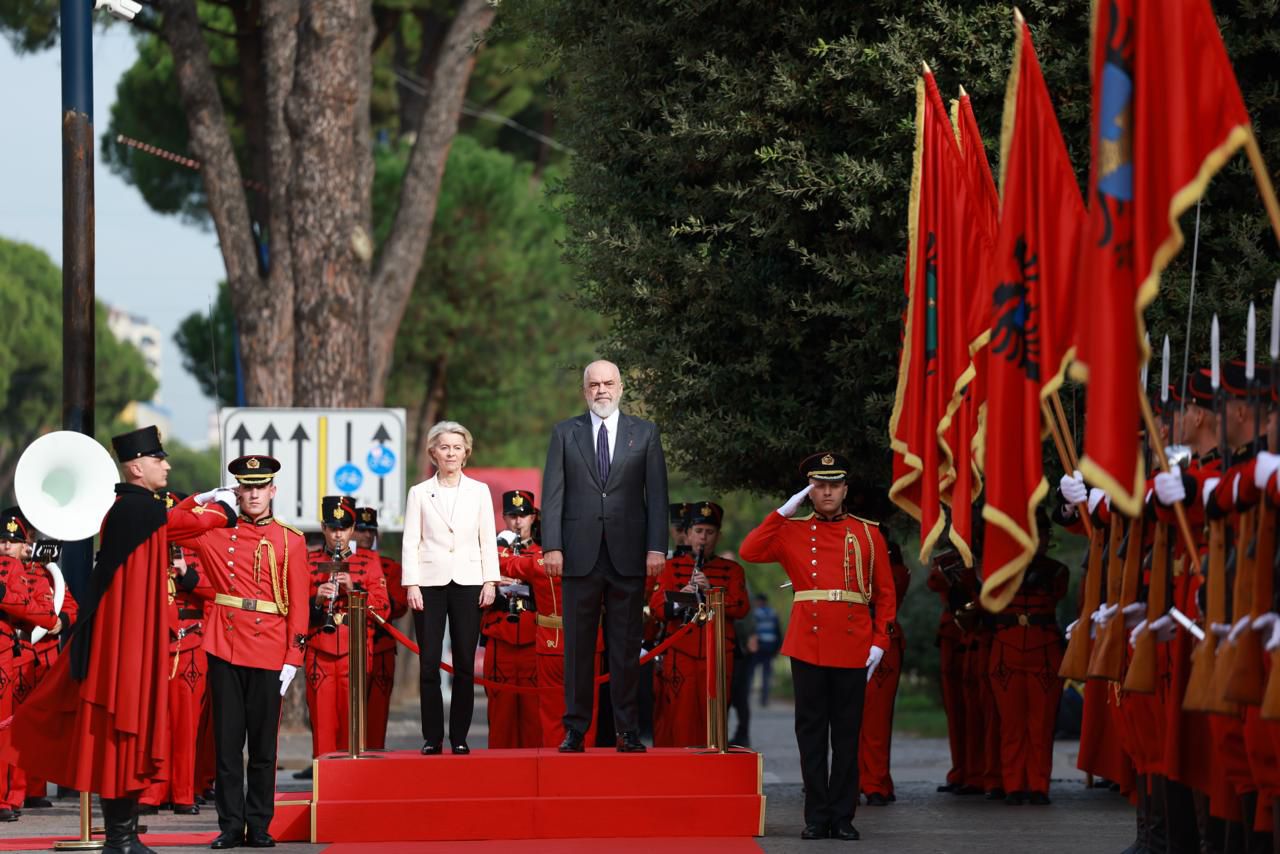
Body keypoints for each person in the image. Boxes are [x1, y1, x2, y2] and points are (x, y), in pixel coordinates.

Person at [8, 426, 235, 854]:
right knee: (124, 732)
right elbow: (185, 525)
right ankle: (121, 837)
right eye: (157, 459)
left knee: (124, 736)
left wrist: (200, 503)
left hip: (126, 640)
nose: (166, 465)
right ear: (135, 466)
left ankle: (123, 835)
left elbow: (173, 521)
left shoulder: (133, 508)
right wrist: (221, 507)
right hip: (125, 644)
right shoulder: (138, 510)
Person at [739, 452, 897, 842]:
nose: (827, 492)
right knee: (810, 736)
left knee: (847, 736)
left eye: (833, 485)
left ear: (845, 490)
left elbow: (886, 595)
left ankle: (843, 817)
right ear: (810, 492)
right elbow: (749, 551)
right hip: (808, 644)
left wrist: (880, 642)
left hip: (853, 644)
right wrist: (782, 511)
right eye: (819, 486)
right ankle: (816, 815)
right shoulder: (792, 530)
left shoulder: (867, 533)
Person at [172, 454, 311, 850]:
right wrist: (202, 498)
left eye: (259, 487)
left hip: (269, 648)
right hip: (224, 645)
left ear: (272, 490)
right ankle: (231, 825)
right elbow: (170, 527)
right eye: (245, 487)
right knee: (228, 745)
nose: (252, 494)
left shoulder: (291, 539)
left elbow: (299, 604)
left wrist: (293, 655)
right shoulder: (215, 531)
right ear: (237, 490)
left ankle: (260, 825)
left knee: (264, 747)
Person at [541, 359, 669, 753]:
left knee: (625, 647)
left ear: (621, 387)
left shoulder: (644, 433)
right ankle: (576, 729)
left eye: (608, 383)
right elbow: (553, 494)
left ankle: (627, 729)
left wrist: (655, 546)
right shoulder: (566, 433)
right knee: (578, 649)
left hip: (629, 554)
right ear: (585, 391)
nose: (601, 390)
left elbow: (658, 495)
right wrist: (552, 546)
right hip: (579, 555)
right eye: (594, 384)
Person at [401, 421, 500, 755]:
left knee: (463, 664)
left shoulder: (479, 491)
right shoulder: (418, 493)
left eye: (457, 447)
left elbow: (488, 538)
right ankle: (432, 738)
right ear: (433, 452)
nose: (451, 453)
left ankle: (459, 737)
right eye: (445, 447)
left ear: (466, 452)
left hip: (469, 582)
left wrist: (491, 580)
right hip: (428, 583)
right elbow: (410, 540)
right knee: (429, 663)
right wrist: (411, 582)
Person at [649, 501, 748, 747]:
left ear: (719, 535)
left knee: (713, 714)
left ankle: (713, 767)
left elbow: (742, 608)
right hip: (681, 651)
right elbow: (658, 608)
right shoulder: (671, 568)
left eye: (710, 532)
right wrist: (684, 596)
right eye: (699, 531)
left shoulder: (732, 570)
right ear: (688, 534)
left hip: (718, 653)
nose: (703, 538)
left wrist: (711, 591)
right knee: (680, 716)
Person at [139, 493, 213, 816]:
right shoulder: (145, 553)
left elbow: (220, 589)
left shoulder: (201, 550)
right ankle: (152, 792)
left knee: (186, 724)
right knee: (155, 724)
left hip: (191, 646)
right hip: (156, 648)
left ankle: (183, 793)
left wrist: (187, 574)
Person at [304, 496, 390, 760]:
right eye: (332, 528)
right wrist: (317, 599)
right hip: (319, 650)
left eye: (343, 528)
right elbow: (294, 608)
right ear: (323, 527)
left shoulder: (369, 561)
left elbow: (384, 608)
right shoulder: (309, 560)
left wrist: (355, 589)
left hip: (355, 650)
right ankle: (324, 790)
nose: (338, 534)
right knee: (323, 725)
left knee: (354, 728)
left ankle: (350, 789)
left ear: (352, 529)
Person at [484, 490, 540, 747]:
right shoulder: (488, 553)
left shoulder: (544, 553)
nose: (518, 522)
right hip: (500, 635)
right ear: (504, 518)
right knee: (500, 714)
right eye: (512, 516)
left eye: (524, 515)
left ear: (533, 517)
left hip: (533, 636)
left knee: (534, 715)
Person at [858, 538, 911, 806]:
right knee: (844, 717)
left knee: (877, 717)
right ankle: (851, 779)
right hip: (848, 638)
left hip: (880, 639)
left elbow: (894, 585)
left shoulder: (892, 564)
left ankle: (876, 782)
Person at [353, 507, 406, 750]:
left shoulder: (390, 568)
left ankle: (373, 762)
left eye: (370, 531)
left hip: (381, 647)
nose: (365, 536)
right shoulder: (340, 565)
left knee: (376, 713)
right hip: (351, 647)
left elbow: (399, 605)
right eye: (360, 531)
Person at [750, 593, 781, 706]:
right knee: (766, 673)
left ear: (759, 602)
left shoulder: (756, 613)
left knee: (751, 671)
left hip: (759, 645)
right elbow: (778, 631)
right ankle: (764, 699)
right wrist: (778, 648)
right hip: (770, 646)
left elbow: (752, 629)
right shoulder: (773, 613)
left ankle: (748, 695)